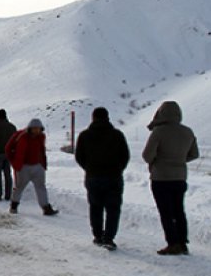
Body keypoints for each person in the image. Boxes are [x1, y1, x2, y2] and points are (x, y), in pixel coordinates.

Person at [142, 101, 199, 256]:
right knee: (179, 210)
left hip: (160, 178)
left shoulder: (158, 132)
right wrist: (179, 161)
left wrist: (160, 161)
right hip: (180, 177)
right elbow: (194, 154)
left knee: (166, 212)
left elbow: (147, 156)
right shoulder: (188, 132)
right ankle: (182, 242)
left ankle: (172, 243)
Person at [75, 107, 130, 251]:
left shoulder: (84, 135)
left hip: (93, 177)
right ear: (108, 117)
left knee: (95, 207)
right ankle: (109, 238)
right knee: (113, 209)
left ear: (93, 118)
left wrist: (89, 168)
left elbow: (79, 156)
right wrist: (118, 169)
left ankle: (98, 236)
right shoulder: (117, 135)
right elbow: (125, 155)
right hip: (113, 177)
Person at [6, 118, 59, 215]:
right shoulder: (21, 136)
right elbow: (8, 148)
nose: (36, 131)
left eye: (38, 129)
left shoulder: (41, 137)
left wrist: (43, 164)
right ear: (30, 128)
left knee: (41, 187)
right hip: (23, 167)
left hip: (37, 166)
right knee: (19, 187)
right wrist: (15, 163)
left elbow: (42, 150)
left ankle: (46, 207)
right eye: (34, 128)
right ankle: (14, 206)